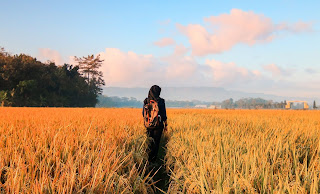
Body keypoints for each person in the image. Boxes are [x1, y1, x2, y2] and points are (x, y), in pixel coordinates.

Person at [142, 85, 168, 162]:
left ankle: (147, 159)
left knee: (149, 141)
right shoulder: (161, 101)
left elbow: (143, 113)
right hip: (158, 125)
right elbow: (163, 114)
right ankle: (153, 159)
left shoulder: (146, 101)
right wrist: (165, 125)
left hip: (148, 125)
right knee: (156, 143)